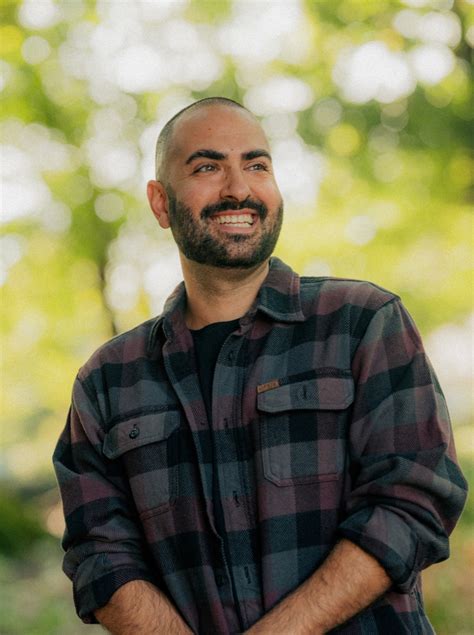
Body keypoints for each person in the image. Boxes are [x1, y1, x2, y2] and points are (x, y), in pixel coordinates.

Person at [53, 97, 467, 634]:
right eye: (207, 167)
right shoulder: (106, 381)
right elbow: (99, 553)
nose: (238, 189)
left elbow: (413, 501)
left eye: (256, 165)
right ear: (160, 203)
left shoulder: (362, 323)